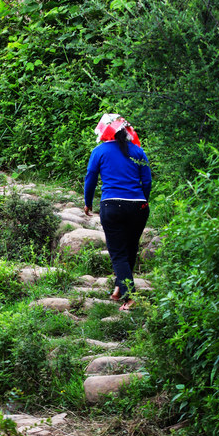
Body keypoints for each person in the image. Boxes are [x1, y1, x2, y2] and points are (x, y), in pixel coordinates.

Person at [84, 113, 152, 311]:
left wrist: (88, 202)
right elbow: (146, 181)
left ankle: (130, 297)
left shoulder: (99, 151)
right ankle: (118, 288)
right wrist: (142, 202)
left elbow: (91, 178)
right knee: (130, 248)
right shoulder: (138, 151)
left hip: (112, 206)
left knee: (118, 253)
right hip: (138, 206)